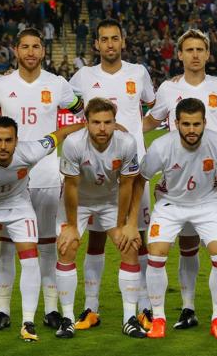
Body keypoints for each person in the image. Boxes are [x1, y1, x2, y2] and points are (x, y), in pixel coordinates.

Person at [0, 27, 84, 331]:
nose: (31, 52)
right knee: (7, 245)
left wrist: (71, 132)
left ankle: (49, 309)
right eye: (25, 46)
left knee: (48, 245)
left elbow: (79, 109)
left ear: (43, 51)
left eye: (36, 46)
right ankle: (2, 310)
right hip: (9, 180)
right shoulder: (1, 84)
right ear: (16, 51)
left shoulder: (57, 83)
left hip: (48, 176)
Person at [142, 28, 217, 331]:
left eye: (201, 49)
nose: (195, 55)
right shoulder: (168, 89)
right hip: (180, 175)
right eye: (190, 50)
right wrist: (123, 130)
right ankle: (187, 308)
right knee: (187, 245)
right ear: (181, 54)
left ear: (208, 54)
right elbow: (151, 120)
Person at [131, 97, 217, 339]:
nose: (191, 130)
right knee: (155, 254)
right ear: (176, 123)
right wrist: (131, 222)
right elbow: (139, 179)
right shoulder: (161, 147)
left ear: (205, 122)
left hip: (207, 204)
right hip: (170, 204)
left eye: (197, 124)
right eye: (186, 124)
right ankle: (159, 319)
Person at [0, 116, 82, 343]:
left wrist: (88, 124)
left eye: (8, 140)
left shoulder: (30, 151)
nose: (3, 146)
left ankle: (28, 322)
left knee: (30, 258)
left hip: (18, 205)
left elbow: (59, 134)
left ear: (16, 141)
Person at [68, 18, 155, 331]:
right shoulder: (82, 77)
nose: (109, 44)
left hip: (134, 168)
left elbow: (152, 111)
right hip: (95, 170)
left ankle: (143, 305)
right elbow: (72, 112)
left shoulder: (139, 73)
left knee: (137, 235)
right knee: (96, 239)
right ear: (96, 44)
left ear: (123, 41)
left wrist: (133, 134)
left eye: (114, 38)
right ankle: (91, 307)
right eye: (103, 39)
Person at [54, 98, 145, 339]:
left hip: (109, 201)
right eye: (96, 123)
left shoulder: (126, 142)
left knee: (130, 246)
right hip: (78, 202)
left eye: (108, 122)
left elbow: (127, 185)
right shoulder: (73, 144)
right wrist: (72, 226)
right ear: (86, 123)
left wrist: (124, 224)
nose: (102, 128)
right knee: (67, 246)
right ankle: (67, 318)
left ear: (115, 122)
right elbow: (71, 188)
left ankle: (129, 318)